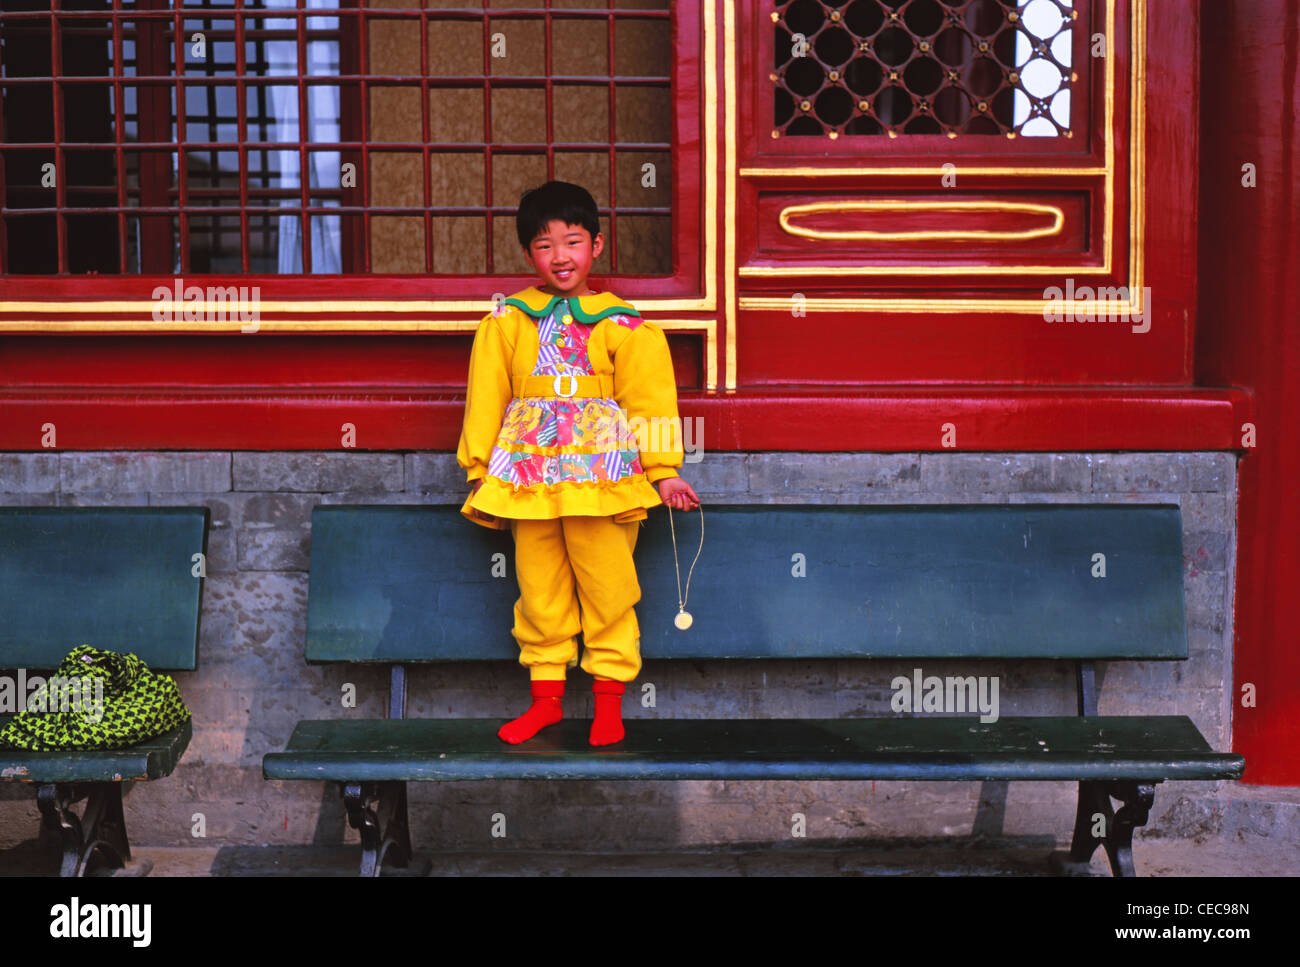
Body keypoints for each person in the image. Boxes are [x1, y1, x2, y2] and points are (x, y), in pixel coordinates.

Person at [456, 181, 701, 747]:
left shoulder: (622, 324)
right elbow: (485, 398)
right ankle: (545, 702)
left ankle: (609, 704)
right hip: (529, 476)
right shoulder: (507, 323)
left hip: (603, 478)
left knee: (608, 583)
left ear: (596, 243)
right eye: (544, 246)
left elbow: (650, 400)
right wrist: (479, 471)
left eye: (572, 241)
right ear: (528, 255)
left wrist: (663, 471)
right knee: (538, 585)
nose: (560, 257)